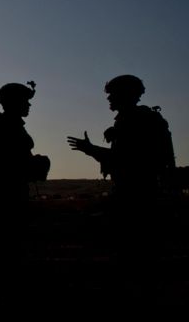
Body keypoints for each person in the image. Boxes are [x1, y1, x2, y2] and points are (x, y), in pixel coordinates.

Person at [67, 74, 175, 307]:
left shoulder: (135, 121)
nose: (109, 99)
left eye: (112, 94)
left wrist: (90, 149)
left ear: (125, 95)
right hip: (141, 194)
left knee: (131, 257)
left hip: (135, 197)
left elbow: (125, 160)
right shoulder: (138, 120)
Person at [0, 81, 50, 313]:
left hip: (4, 197)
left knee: (5, 249)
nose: (28, 106)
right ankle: (4, 301)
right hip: (7, 198)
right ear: (14, 103)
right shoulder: (8, 127)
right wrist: (41, 163)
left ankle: (2, 297)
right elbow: (12, 165)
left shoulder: (3, 126)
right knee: (8, 252)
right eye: (25, 101)